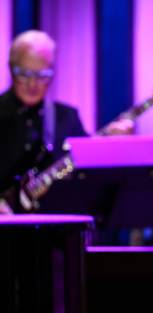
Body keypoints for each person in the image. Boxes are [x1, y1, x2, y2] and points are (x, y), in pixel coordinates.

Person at [0, 30, 131, 214]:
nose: (33, 84)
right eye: (24, 74)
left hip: (54, 233)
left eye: (42, 75)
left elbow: (88, 172)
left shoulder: (66, 118)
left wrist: (109, 144)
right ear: (10, 69)